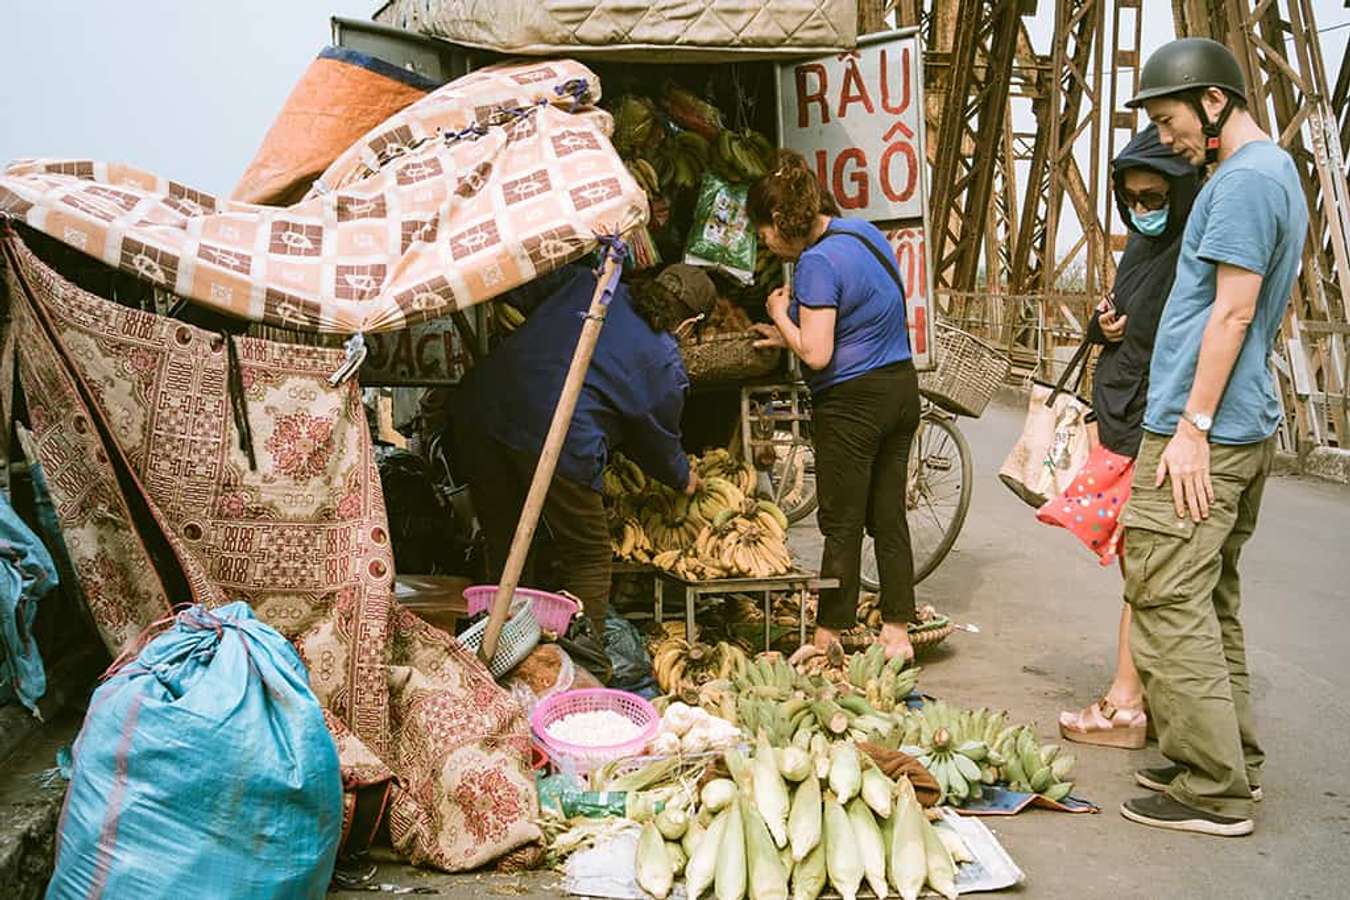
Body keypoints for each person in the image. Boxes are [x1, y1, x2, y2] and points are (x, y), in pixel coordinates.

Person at [1118, 38, 1308, 837]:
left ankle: (1211, 783)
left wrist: (1190, 429)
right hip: (1239, 422)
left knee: (1163, 591)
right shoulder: (1278, 174)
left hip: (1207, 430)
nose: (1166, 139)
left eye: (1170, 119)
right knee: (1211, 597)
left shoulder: (1238, 184)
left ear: (1216, 101)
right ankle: (1232, 759)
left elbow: (1232, 311)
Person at [1045, 125, 1203, 749]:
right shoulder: (1144, 248)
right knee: (1143, 566)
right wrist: (1103, 327)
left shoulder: (1191, 253)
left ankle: (1125, 703)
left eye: (1155, 195)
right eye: (1133, 198)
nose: (1144, 208)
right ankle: (1143, 697)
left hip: (1151, 433)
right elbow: (1125, 316)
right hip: (1124, 422)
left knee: (1145, 567)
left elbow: (1183, 345)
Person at [452, 263, 715, 634]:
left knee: (506, 541)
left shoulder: (592, 285)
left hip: (481, 407)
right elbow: (656, 437)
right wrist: (683, 477)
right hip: (554, 433)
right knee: (589, 554)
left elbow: (523, 291)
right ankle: (586, 660)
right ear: (690, 324)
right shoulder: (664, 360)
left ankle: (497, 639)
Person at [747, 150, 920, 661]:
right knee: (888, 515)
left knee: (840, 521)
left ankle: (828, 637)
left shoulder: (815, 263)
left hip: (853, 403)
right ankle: (897, 633)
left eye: (765, 235)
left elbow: (819, 353)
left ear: (780, 222)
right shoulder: (862, 233)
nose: (768, 245)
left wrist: (780, 313)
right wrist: (786, 335)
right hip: (900, 389)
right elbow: (856, 315)